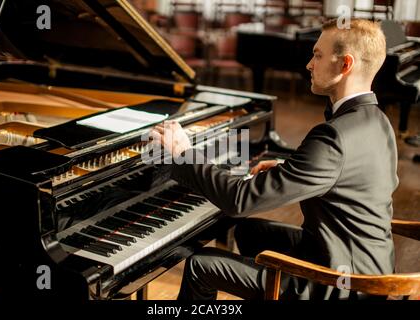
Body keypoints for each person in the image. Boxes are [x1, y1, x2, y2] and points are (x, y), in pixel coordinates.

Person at [150, 19, 398, 300]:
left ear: (345, 65)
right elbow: (353, 177)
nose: (309, 64)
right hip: (369, 264)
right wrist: (290, 170)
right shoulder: (377, 121)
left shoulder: (334, 137)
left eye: (317, 55)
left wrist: (183, 153)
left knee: (200, 265)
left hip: (344, 285)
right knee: (249, 233)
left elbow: (240, 200)